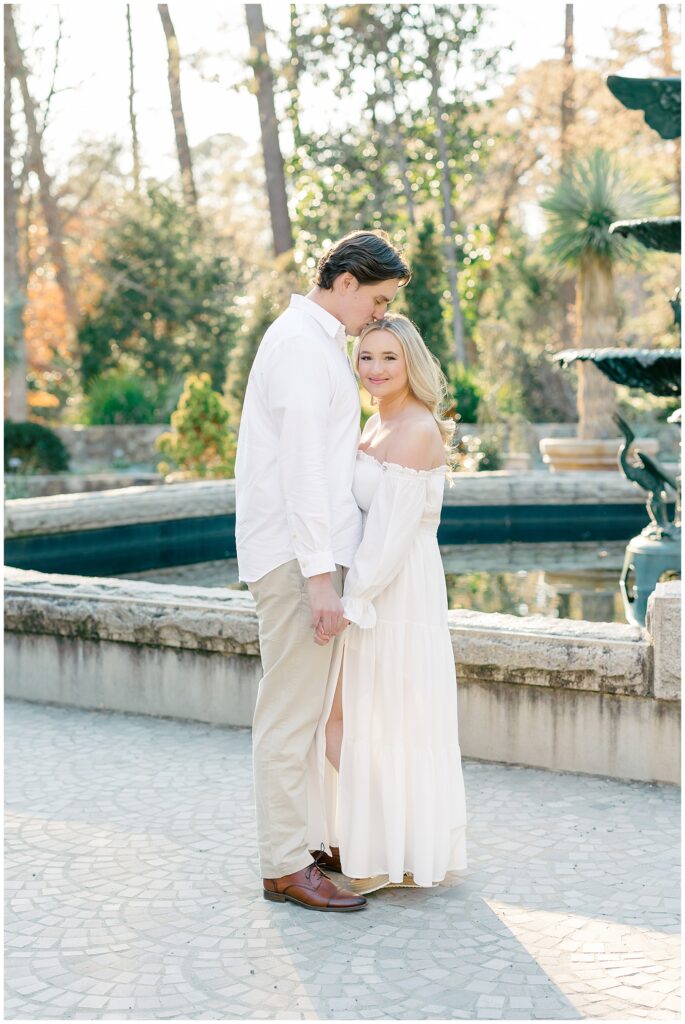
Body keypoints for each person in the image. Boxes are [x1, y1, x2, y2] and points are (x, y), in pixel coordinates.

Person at [234, 230, 411, 911]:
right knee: (289, 714)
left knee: (305, 712)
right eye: (378, 299)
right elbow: (304, 474)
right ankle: (283, 866)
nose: (380, 313)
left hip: (303, 555)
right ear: (345, 282)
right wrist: (318, 580)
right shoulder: (301, 349)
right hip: (294, 560)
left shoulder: (312, 342)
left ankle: (300, 843)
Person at [307, 313, 468, 891]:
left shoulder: (416, 428)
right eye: (366, 357)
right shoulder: (376, 420)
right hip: (372, 583)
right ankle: (370, 838)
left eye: (389, 358)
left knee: (382, 719)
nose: (374, 369)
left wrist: (350, 603)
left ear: (411, 363)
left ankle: (384, 849)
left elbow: (391, 535)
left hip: (397, 590)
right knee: (345, 718)